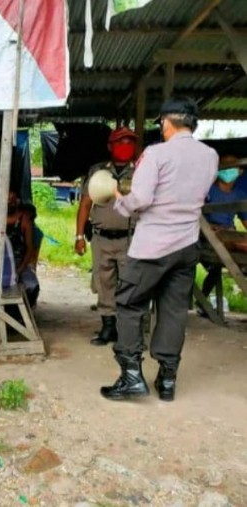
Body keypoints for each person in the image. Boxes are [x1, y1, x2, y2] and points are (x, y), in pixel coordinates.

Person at [100, 97, 218, 402]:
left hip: (152, 246)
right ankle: (167, 379)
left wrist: (117, 197)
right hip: (187, 245)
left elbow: (139, 199)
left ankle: (131, 376)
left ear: (167, 122)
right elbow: (201, 195)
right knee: (174, 310)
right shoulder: (210, 155)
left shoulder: (156, 153)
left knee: (128, 303)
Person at [75, 127, 137, 346]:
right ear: (110, 146)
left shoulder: (141, 171)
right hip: (101, 238)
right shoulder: (97, 171)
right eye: (121, 142)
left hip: (131, 238)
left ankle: (127, 330)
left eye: (129, 142)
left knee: (130, 283)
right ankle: (107, 327)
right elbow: (85, 205)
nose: (125, 146)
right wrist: (79, 236)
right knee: (104, 283)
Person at [201, 155, 247, 301]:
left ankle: (202, 301)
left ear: (239, 171)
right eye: (225, 166)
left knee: (235, 242)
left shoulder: (239, 195)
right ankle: (202, 301)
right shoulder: (207, 191)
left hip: (229, 235)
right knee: (230, 243)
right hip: (209, 237)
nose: (228, 170)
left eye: (232, 166)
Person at [6, 191, 35, 286]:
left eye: (12, 199)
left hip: (18, 264)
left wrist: (20, 269)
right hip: (0, 264)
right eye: (7, 199)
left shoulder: (25, 221)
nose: (10, 202)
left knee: (32, 286)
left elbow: (29, 248)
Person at [17, 203, 43, 307]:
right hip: (22, 263)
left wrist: (22, 268)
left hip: (25, 264)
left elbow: (32, 254)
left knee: (31, 285)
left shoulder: (35, 232)